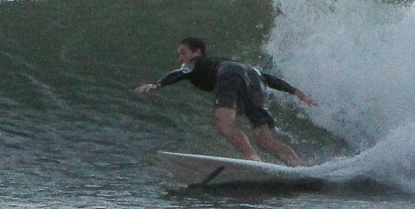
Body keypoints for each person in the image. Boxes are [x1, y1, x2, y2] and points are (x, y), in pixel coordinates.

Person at [135, 37, 317, 166]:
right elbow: (265, 77)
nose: (180, 58)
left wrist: (157, 84)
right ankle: (298, 164)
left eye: (183, 53)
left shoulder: (194, 63)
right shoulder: (221, 61)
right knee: (264, 140)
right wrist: (295, 92)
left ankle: (252, 159)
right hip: (253, 76)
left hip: (229, 76)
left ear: (197, 52)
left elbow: (180, 72)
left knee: (224, 125)